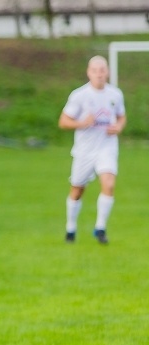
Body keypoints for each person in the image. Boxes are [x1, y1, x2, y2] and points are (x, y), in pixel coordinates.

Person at [59, 55, 126, 245]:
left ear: (107, 72)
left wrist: (119, 127)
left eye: (102, 70)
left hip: (107, 147)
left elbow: (121, 117)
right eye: (95, 71)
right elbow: (63, 122)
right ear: (89, 73)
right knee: (77, 190)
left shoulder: (115, 94)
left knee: (109, 184)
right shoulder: (79, 95)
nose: (99, 74)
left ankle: (100, 228)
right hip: (85, 151)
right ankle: (71, 228)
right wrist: (82, 123)